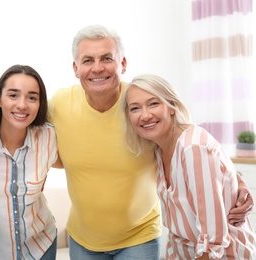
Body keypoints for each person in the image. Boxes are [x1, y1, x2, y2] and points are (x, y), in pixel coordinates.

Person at [48, 24, 254, 259]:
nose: (97, 67)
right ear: (75, 68)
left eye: (107, 58)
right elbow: (32, 141)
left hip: (139, 239)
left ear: (123, 64)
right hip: (83, 240)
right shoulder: (60, 104)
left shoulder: (137, 101)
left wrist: (236, 181)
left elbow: (193, 145)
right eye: (87, 60)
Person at [123, 73, 256, 259]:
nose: (145, 115)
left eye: (154, 103)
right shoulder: (158, 148)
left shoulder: (192, 149)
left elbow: (212, 243)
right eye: (135, 108)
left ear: (172, 106)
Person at [0, 64, 62, 260]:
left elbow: (78, 163)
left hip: (42, 246)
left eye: (32, 97)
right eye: (13, 95)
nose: (22, 105)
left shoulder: (49, 136)